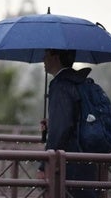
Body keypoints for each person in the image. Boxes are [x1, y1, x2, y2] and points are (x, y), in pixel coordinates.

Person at [37, 49, 98, 198]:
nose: (43, 59)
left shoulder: (60, 85)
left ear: (56, 58)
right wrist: (53, 122)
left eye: (46, 55)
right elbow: (74, 119)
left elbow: (61, 130)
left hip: (68, 166)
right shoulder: (79, 81)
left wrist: (43, 165)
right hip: (87, 160)